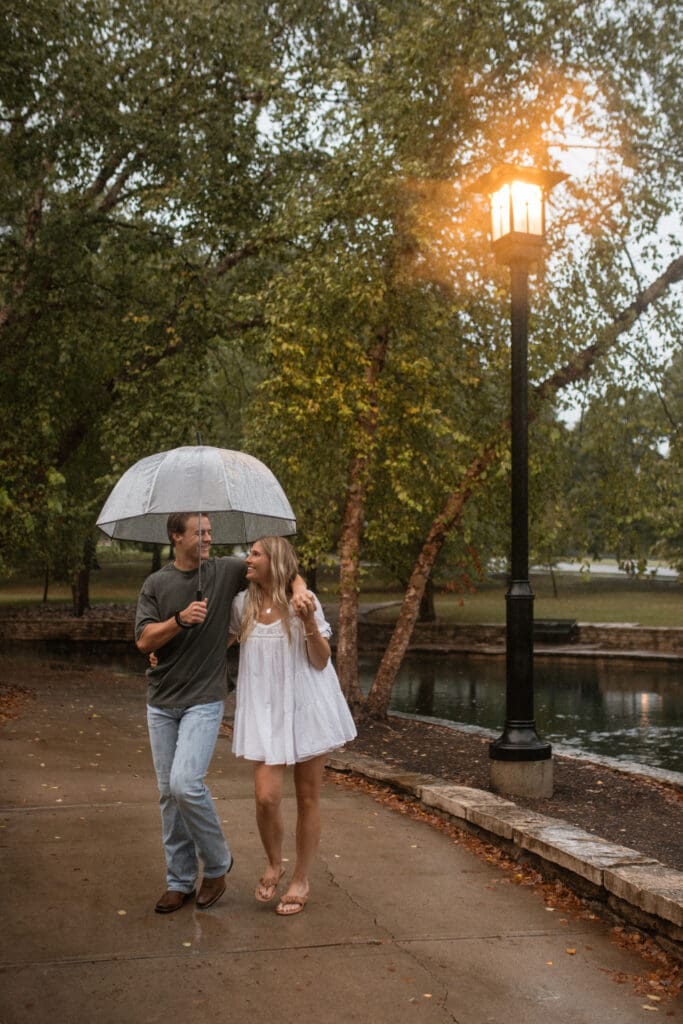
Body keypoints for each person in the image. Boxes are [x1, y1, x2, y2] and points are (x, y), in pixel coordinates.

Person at [135, 512, 307, 914]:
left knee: (185, 783)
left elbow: (283, 567)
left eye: (210, 531)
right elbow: (143, 640)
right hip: (161, 701)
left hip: (205, 698)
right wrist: (179, 621)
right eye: (200, 532)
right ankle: (179, 880)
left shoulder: (227, 571)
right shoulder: (156, 583)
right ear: (177, 537)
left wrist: (298, 588)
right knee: (168, 795)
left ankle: (216, 863)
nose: (209, 538)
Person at [228, 536, 357, 916]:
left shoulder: (304, 601)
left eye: (254, 554)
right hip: (266, 712)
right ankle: (274, 862)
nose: (247, 559)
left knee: (307, 797)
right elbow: (220, 643)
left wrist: (308, 623)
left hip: (306, 708)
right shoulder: (242, 605)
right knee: (266, 797)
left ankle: (300, 878)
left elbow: (321, 661)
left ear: (275, 561)